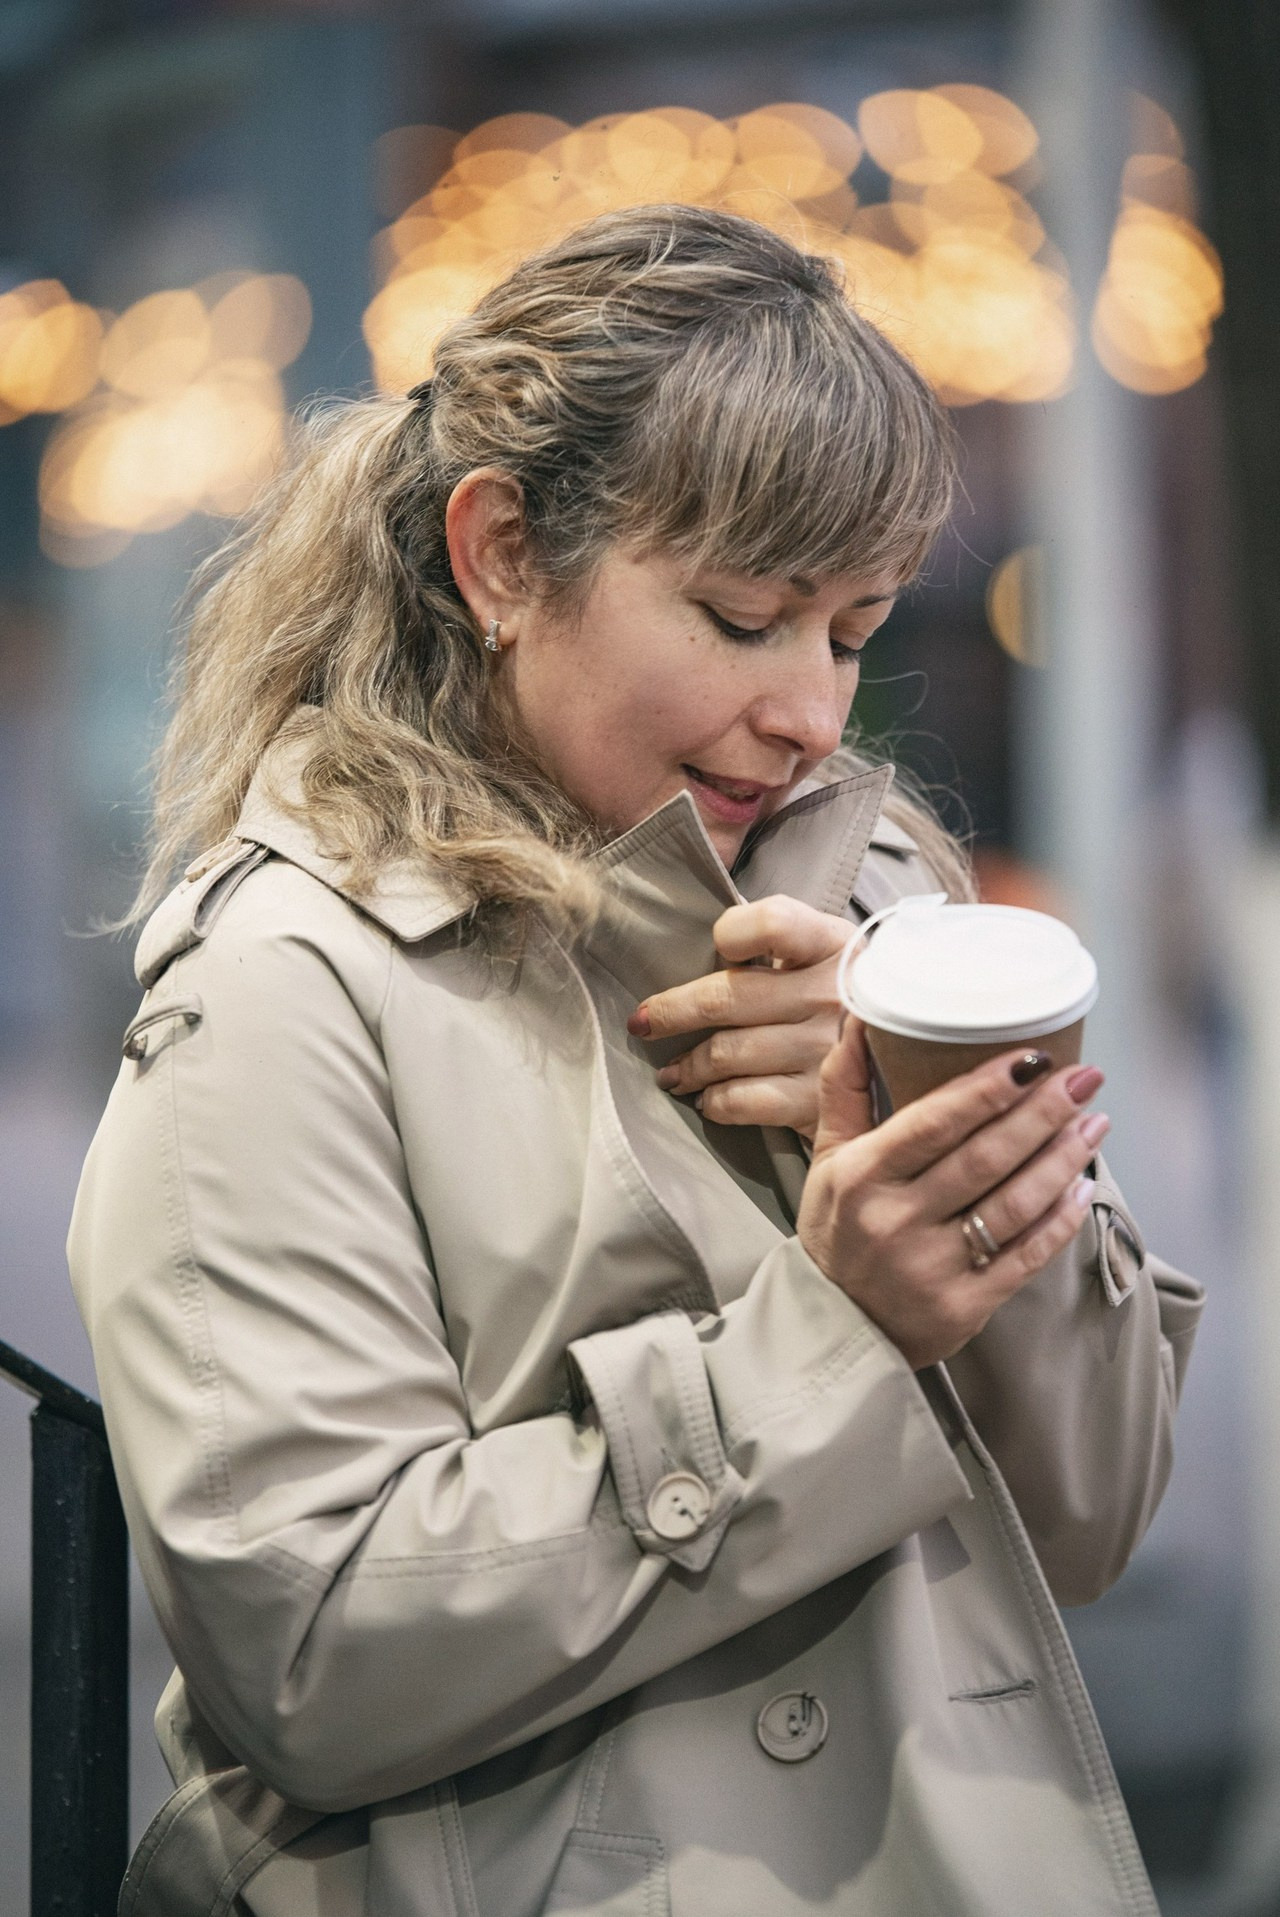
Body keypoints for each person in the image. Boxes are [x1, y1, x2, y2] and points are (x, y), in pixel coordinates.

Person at [69, 205, 1203, 1917]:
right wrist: (837, 1336)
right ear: (503, 555)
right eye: (746, 615)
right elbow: (306, 1651)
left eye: (854, 626)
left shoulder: (879, 886)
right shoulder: (284, 982)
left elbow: (1097, 1520)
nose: (816, 714)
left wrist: (954, 1159)